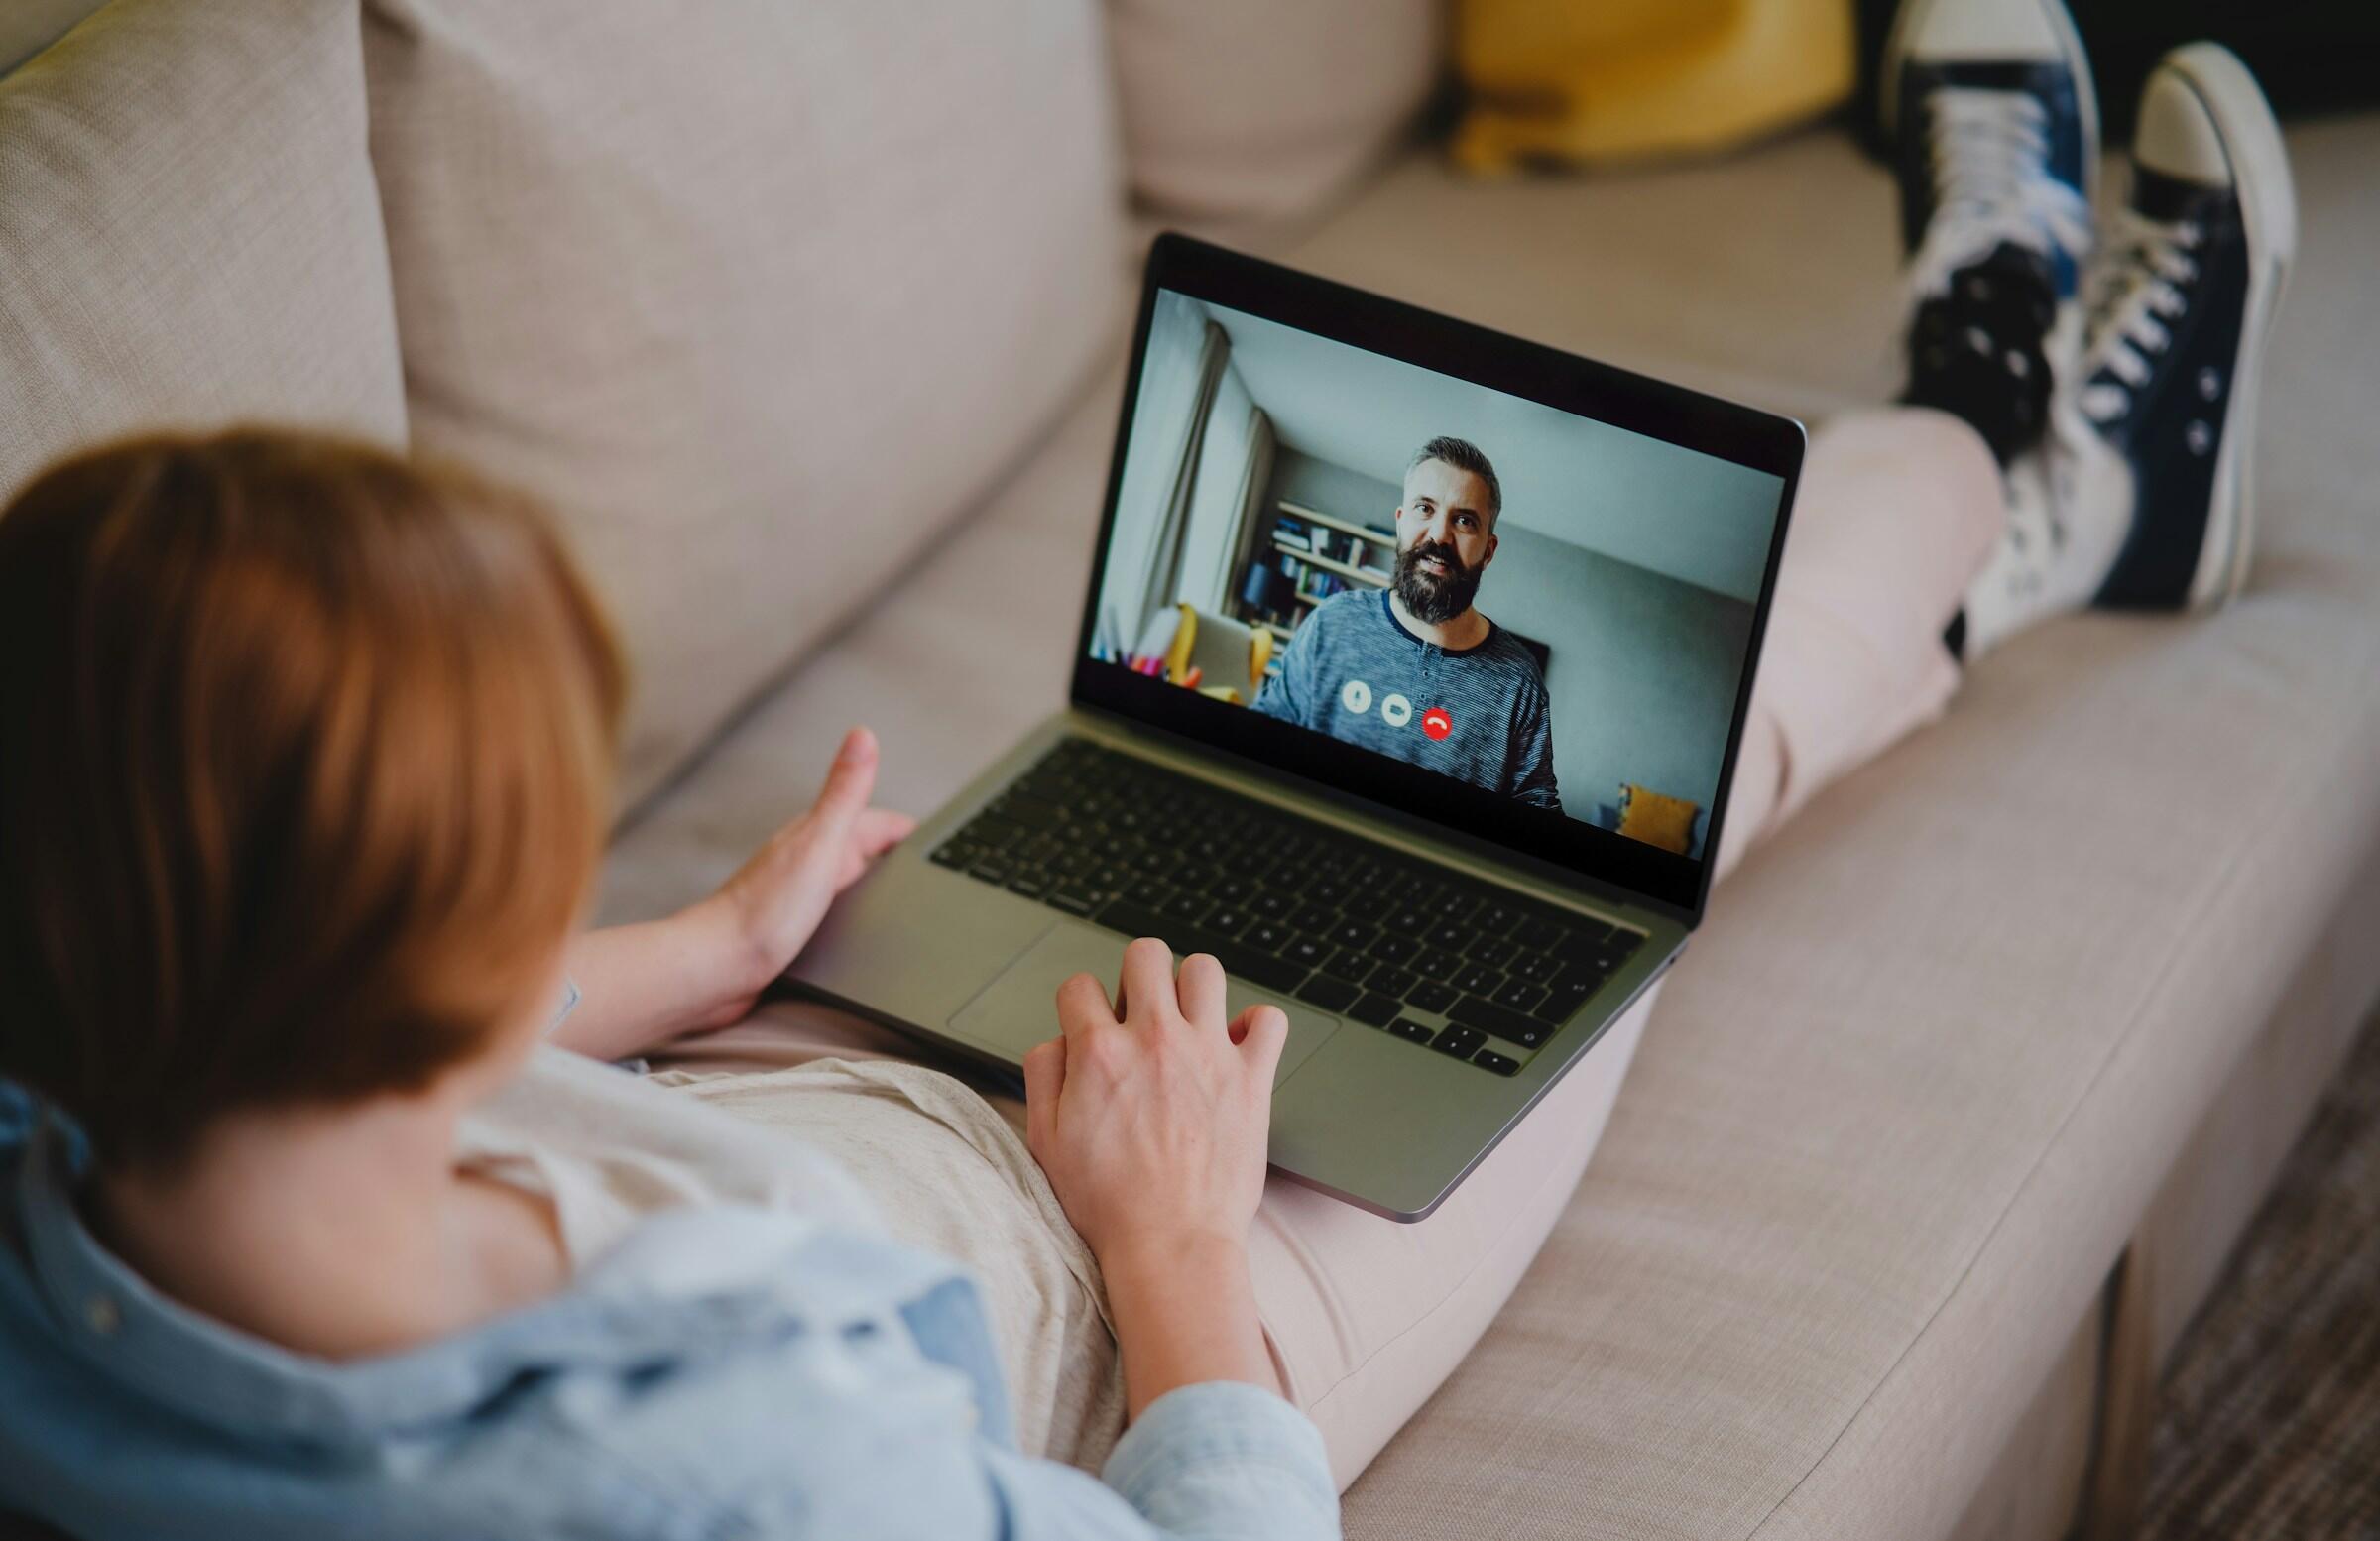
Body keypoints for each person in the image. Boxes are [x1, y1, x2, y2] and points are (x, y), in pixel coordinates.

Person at [0, 0, 2294, 1532]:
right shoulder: (759, 1480)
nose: (1423, 534)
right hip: (1123, 1298)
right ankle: (2020, 446)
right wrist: (1179, 1235)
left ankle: (2010, 459)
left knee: (1433, 809)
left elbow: (265, 997)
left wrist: (698, 953)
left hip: (773, 1100)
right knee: (1653, 800)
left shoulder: (75, 1146)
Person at [1254, 435, 1563, 811]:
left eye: (1464, 520)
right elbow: (1263, 740)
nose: (1439, 535)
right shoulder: (1332, 623)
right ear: (1401, 522)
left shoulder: (1519, 683)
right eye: (1424, 508)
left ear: (1488, 550)